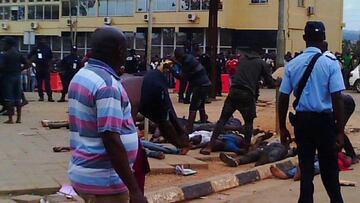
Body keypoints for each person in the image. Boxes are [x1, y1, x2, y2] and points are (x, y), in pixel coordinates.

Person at [67, 27, 146, 203]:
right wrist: (135, 190)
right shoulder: (107, 85)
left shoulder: (82, 75)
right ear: (119, 51)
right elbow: (110, 138)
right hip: (104, 183)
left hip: (84, 173)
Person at [278, 21, 345, 203]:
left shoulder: (293, 64)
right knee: (329, 170)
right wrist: (340, 131)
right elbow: (337, 98)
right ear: (323, 38)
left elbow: (283, 97)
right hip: (324, 123)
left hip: (302, 123)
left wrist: (282, 127)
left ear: (304, 38)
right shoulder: (331, 63)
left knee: (306, 170)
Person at [200, 46, 275, 155]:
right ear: (260, 54)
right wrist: (278, 82)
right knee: (249, 122)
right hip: (247, 94)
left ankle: (209, 146)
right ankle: (246, 148)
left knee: (222, 120)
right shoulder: (261, 63)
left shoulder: (242, 60)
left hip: (233, 92)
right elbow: (270, 83)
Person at [121, 68, 192, 155]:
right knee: (167, 117)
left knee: (164, 120)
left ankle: (182, 144)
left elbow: (128, 129)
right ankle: (182, 142)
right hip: (150, 80)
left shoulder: (124, 102)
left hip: (149, 86)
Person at [173, 48, 212, 134]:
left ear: (178, 57)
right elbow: (183, 66)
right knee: (201, 105)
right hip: (206, 84)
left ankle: (189, 128)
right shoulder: (189, 58)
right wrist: (175, 62)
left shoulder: (187, 62)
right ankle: (203, 122)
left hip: (200, 85)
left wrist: (171, 71)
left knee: (193, 107)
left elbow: (182, 78)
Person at [0, 37, 28, 124]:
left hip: (8, 77)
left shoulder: (6, 54)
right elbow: (28, 63)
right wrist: (20, 69)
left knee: (9, 98)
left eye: (3, 44)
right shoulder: (18, 53)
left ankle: (10, 119)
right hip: (17, 77)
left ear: (8, 44)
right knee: (18, 98)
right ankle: (18, 119)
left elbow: (1, 66)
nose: (2, 46)